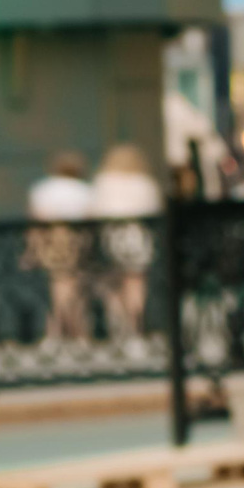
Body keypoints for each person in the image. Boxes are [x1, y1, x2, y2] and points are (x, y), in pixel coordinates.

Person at [88, 143, 163, 341]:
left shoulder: (104, 181)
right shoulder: (145, 183)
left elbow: (96, 210)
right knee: (135, 284)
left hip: (111, 237)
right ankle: (135, 328)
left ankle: (117, 327)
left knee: (113, 285)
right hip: (137, 237)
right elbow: (153, 209)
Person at [25, 151, 95, 344]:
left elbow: (36, 221)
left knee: (60, 284)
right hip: (76, 239)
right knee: (70, 285)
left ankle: (59, 331)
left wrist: (32, 248)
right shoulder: (84, 190)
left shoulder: (43, 189)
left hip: (52, 238)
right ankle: (72, 331)